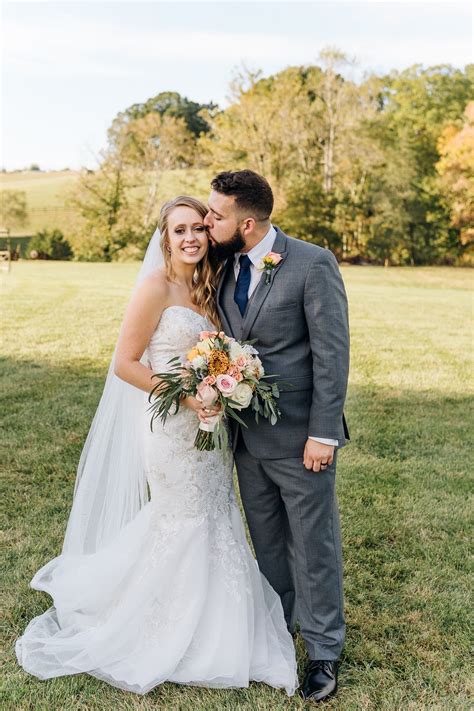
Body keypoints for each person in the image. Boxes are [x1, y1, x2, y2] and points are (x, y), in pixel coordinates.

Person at [15, 196, 298, 697]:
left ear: (210, 235)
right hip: (170, 429)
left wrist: (228, 383)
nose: (190, 238)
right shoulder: (155, 287)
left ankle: (219, 622)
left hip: (212, 427)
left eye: (198, 229)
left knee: (214, 514)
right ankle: (165, 628)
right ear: (164, 237)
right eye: (179, 230)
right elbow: (125, 363)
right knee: (182, 518)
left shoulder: (210, 288)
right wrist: (189, 397)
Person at [205, 170, 350, 704]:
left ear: (246, 223)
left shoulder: (312, 263)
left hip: (300, 440)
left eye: (216, 215)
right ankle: (281, 630)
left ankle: (324, 650)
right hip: (244, 440)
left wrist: (323, 435)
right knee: (267, 543)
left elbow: (333, 355)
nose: (206, 220)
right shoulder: (220, 264)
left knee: (314, 546)